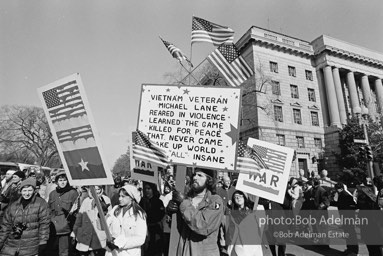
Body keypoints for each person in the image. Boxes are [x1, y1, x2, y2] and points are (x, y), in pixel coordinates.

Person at [167, 167, 224, 256]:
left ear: (209, 180)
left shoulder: (215, 201)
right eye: (194, 175)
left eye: (200, 175)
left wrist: (183, 203)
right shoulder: (186, 198)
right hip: (184, 251)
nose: (195, 177)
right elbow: (176, 227)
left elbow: (203, 226)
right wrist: (171, 212)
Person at [0, 177, 50, 256]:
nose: (27, 193)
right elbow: (5, 227)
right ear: (21, 191)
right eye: (24, 190)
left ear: (34, 191)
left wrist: (43, 242)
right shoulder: (13, 205)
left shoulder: (41, 204)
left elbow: (44, 225)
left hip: (30, 247)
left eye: (30, 190)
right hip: (11, 246)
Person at [105, 184, 147, 256]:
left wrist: (119, 243)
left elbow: (140, 239)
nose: (120, 199)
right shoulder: (115, 209)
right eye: (119, 196)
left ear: (131, 197)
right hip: (112, 253)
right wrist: (100, 215)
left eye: (123, 196)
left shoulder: (139, 214)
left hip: (129, 253)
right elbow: (104, 227)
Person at [47, 170, 79, 256]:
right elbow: (48, 209)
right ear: (56, 181)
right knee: (51, 251)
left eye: (64, 180)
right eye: (60, 180)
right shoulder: (52, 194)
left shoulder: (73, 192)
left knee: (64, 252)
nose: (62, 182)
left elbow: (76, 211)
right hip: (53, 227)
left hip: (65, 228)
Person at [73, 185, 111, 256]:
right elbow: (79, 217)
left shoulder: (106, 199)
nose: (96, 191)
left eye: (98, 189)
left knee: (97, 252)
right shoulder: (86, 201)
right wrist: (74, 232)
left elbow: (110, 218)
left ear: (101, 189)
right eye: (94, 189)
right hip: (86, 233)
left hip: (98, 234)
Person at [139, 182, 165, 256]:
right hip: (145, 230)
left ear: (153, 190)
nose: (147, 191)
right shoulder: (142, 202)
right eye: (145, 189)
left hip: (156, 230)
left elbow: (160, 215)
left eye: (149, 189)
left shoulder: (158, 201)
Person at [334, 182, 358, 255]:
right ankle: (350, 249)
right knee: (348, 234)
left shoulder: (346, 195)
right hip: (345, 217)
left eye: (337, 189)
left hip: (348, 217)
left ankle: (353, 251)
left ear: (341, 188)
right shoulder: (341, 194)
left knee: (351, 234)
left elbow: (352, 206)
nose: (336, 190)